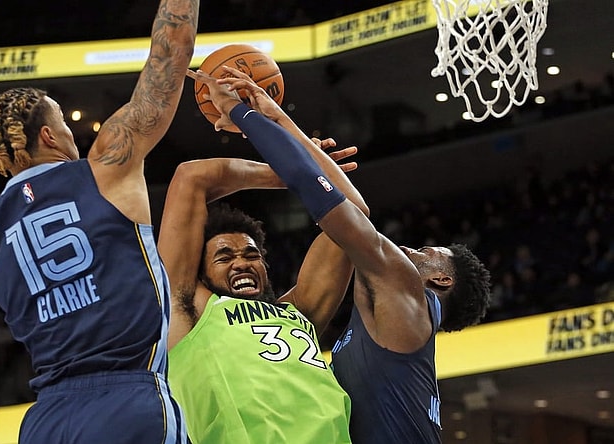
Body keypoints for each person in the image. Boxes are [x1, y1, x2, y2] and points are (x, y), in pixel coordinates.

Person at [0, 1, 199, 442]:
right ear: (49, 135)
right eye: (63, 122)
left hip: (46, 421)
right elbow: (170, 54)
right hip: (129, 400)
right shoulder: (107, 168)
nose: (71, 131)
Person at [191, 66, 492, 444]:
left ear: (440, 279)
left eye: (424, 252)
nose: (406, 249)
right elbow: (351, 208)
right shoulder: (391, 323)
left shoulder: (407, 292)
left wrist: (246, 113)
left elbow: (332, 205)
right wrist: (282, 124)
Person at [158, 75, 370, 442]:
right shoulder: (189, 309)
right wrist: (287, 173)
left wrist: (281, 125)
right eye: (224, 257)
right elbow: (191, 177)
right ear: (200, 275)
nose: (241, 262)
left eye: (251, 254)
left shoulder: (299, 311)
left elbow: (354, 216)